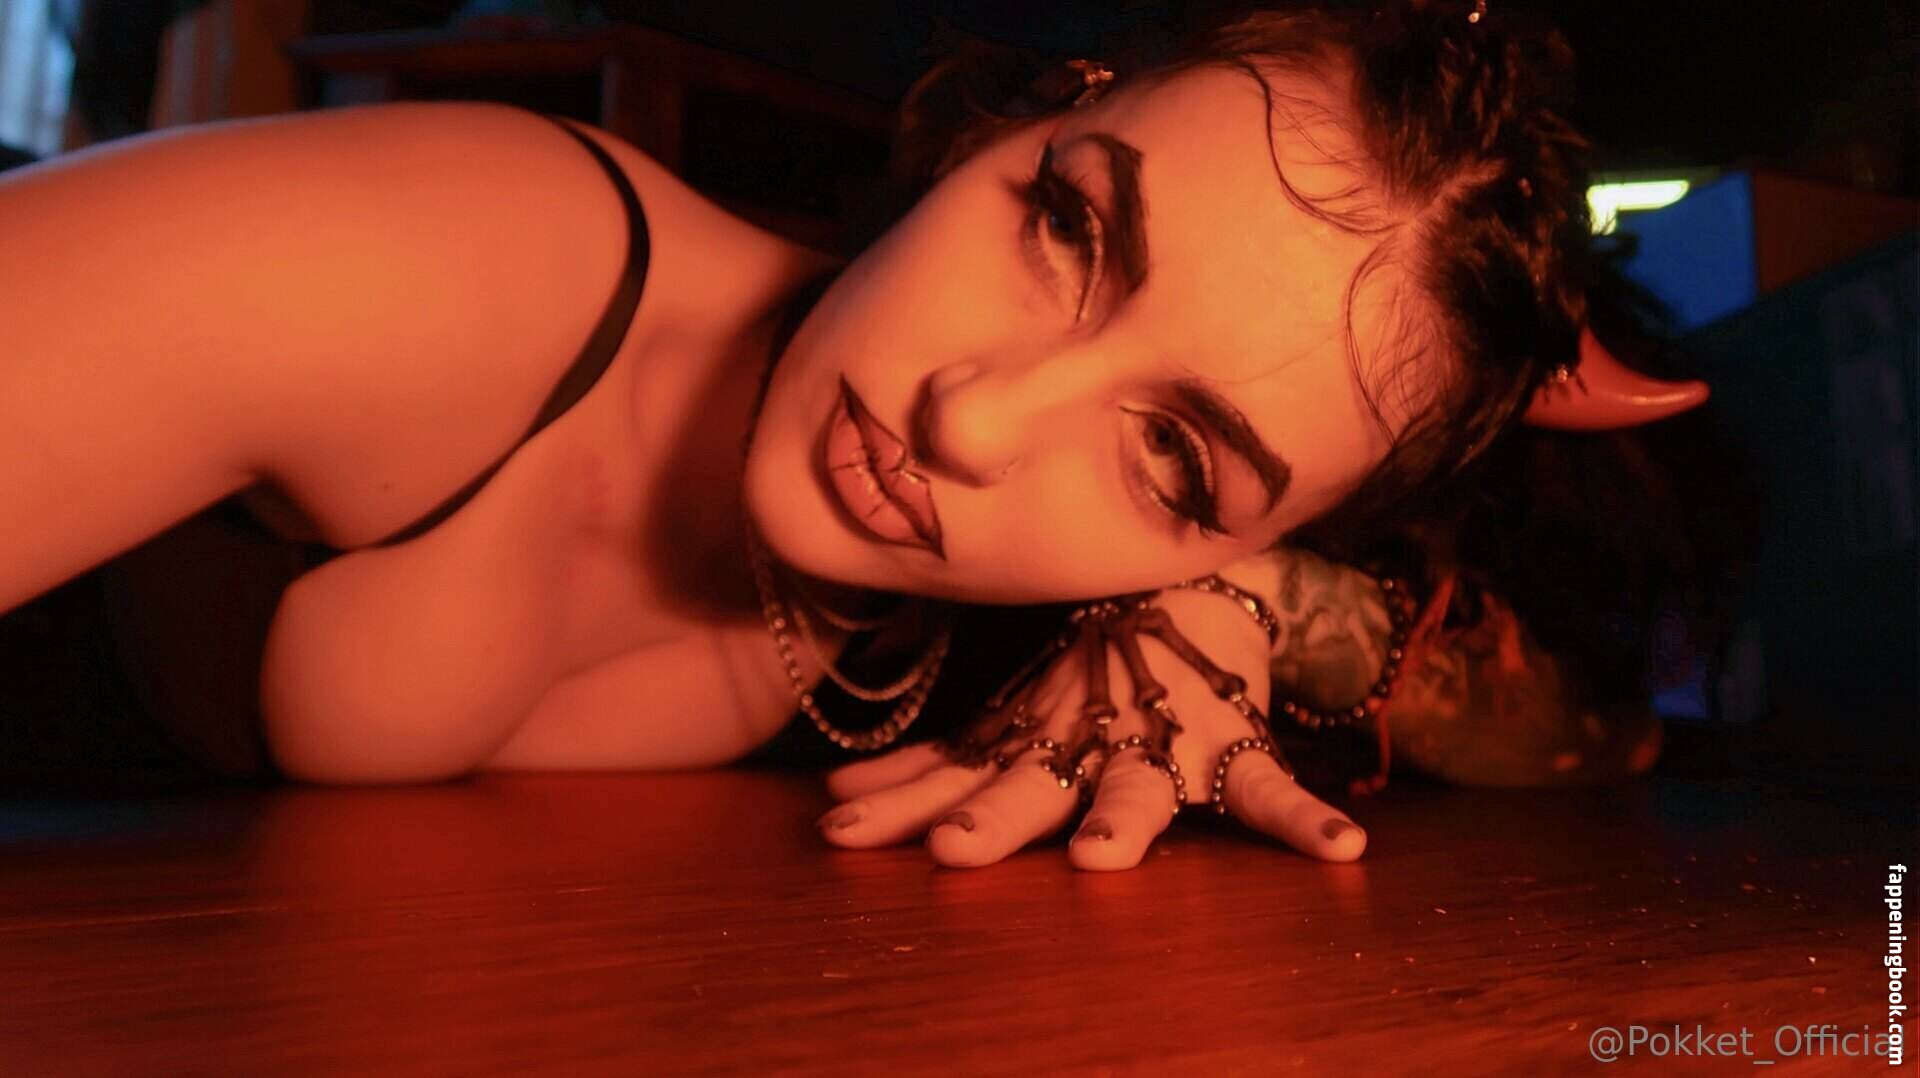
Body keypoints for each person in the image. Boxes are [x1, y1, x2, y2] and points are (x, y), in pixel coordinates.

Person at [0, 2, 1703, 871]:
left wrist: (1234, 597)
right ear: (1026, 120)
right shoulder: (468, 269)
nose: (973, 415)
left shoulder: (1023, 620)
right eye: (1067, 227)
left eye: (1177, 461)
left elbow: (1590, 723)